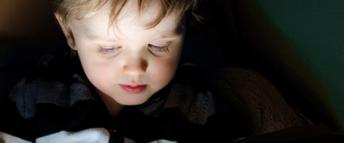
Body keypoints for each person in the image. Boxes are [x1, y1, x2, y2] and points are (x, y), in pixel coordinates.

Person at [0, 0, 328, 142]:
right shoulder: (36, 95)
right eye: (109, 48)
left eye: (158, 46)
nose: (135, 68)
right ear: (70, 34)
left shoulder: (199, 103)